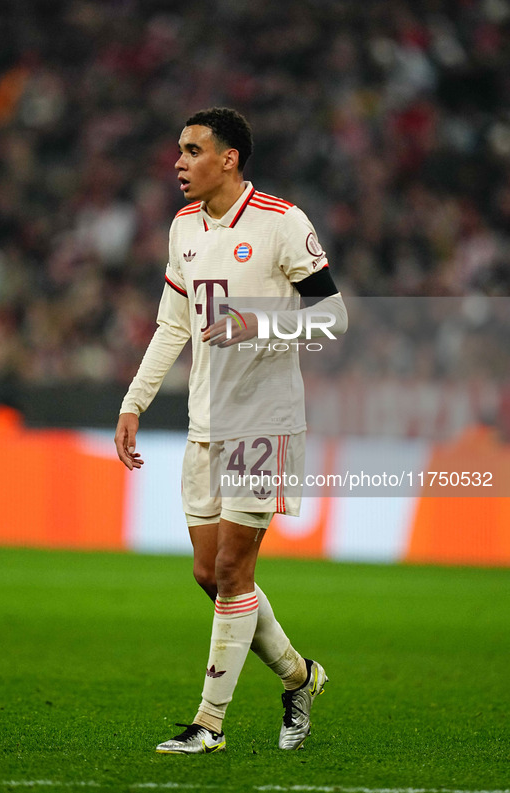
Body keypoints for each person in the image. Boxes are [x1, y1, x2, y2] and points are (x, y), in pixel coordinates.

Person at [115, 107, 348, 754]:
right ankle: (300, 676)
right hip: (205, 420)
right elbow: (172, 324)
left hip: (263, 422)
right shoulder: (183, 226)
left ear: (229, 158)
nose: (178, 162)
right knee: (207, 573)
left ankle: (208, 724)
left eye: (192, 150)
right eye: (178, 151)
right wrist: (134, 401)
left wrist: (259, 326)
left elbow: (333, 318)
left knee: (232, 566)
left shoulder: (281, 221)